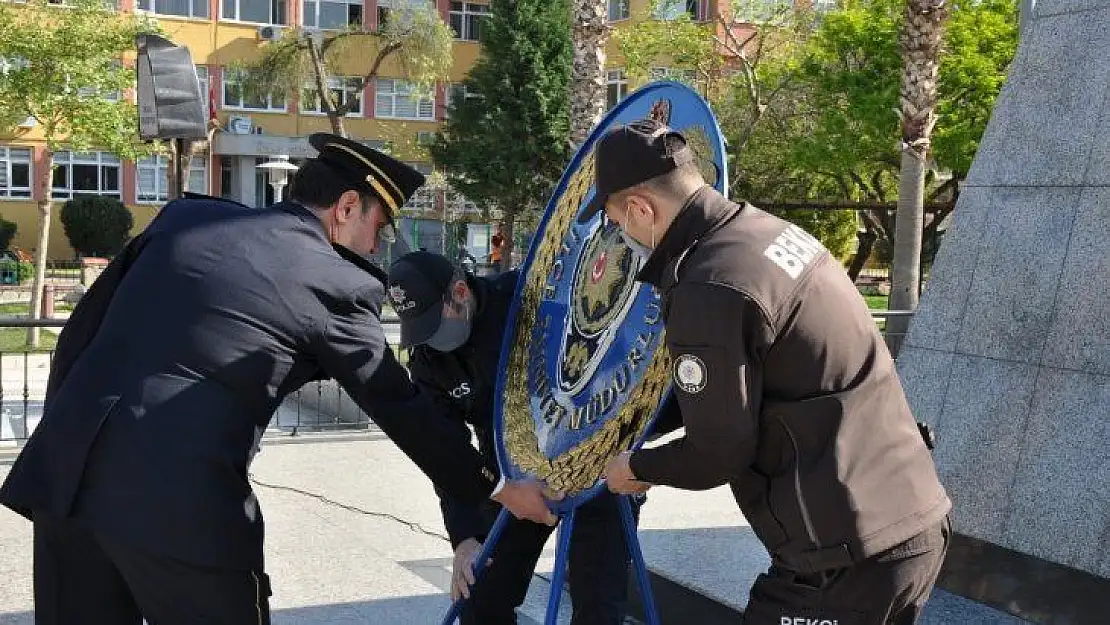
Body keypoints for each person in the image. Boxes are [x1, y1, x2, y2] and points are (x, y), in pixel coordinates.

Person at [0, 133, 555, 625]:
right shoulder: (331, 279)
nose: (373, 248)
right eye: (377, 229)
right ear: (345, 207)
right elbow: (399, 405)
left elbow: (76, 338)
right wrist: (500, 487)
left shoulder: (186, 219)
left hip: (64, 474)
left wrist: (69, 433)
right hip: (181, 502)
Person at [588, 120, 952, 625]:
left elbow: (719, 451)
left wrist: (637, 468)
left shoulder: (708, 285)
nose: (622, 237)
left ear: (641, 209)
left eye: (615, 222)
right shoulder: (758, 232)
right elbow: (747, 382)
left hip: (845, 555)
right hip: (905, 519)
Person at [388, 251, 642, 625]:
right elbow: (445, 453)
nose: (433, 340)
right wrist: (463, 537)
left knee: (598, 607)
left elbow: (614, 358)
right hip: (512, 478)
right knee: (479, 593)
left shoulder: (531, 297)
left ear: (460, 292)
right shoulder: (429, 360)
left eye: (434, 323)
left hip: (594, 461)